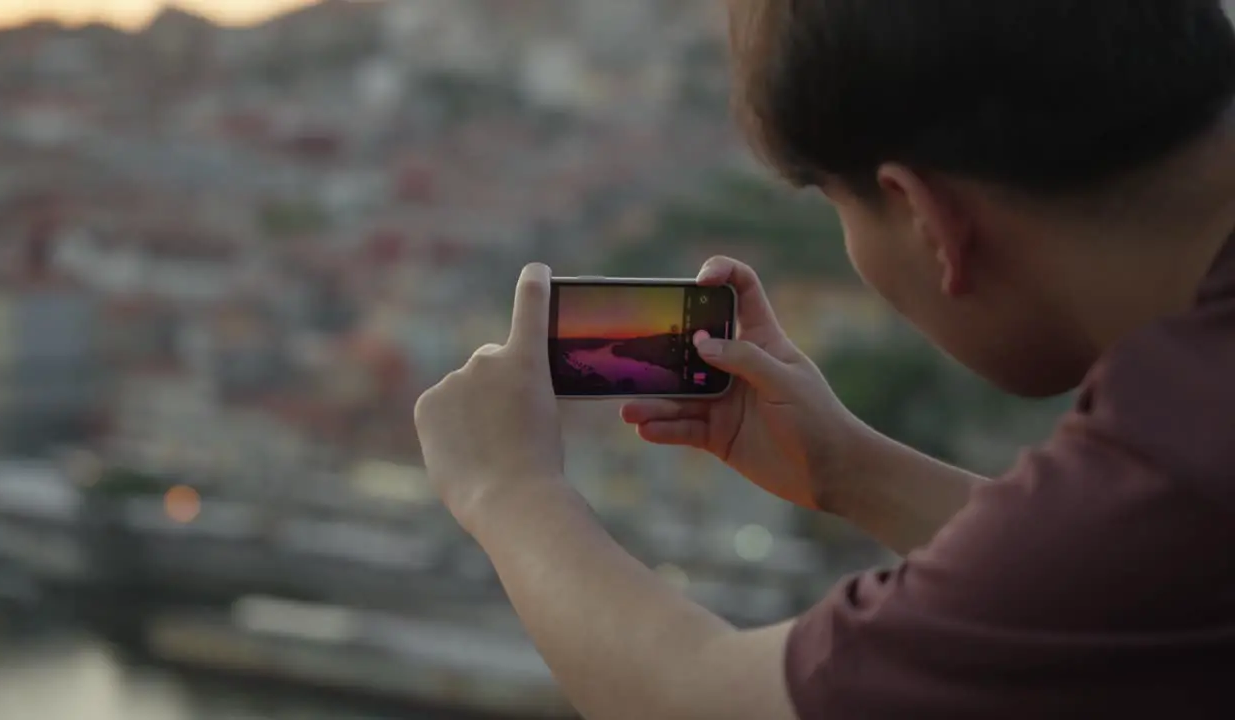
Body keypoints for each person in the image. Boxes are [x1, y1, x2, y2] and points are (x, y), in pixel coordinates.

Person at [415, 1, 1235, 718]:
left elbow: (713, 704)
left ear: (925, 220)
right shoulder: (1183, 454)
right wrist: (845, 469)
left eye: (841, 210)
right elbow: (1110, 592)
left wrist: (509, 491)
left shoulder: (1183, 449)